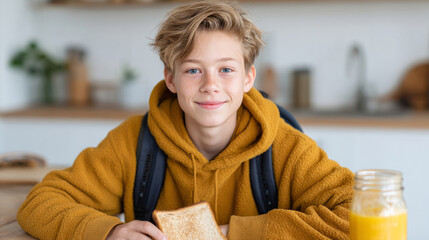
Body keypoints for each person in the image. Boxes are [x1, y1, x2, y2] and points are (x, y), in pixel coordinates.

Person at [17, 1, 354, 239]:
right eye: (193, 70)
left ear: (248, 78)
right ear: (171, 80)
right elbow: (41, 203)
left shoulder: (286, 147)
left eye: (226, 69)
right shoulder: (133, 142)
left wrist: (234, 233)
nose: (211, 85)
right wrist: (109, 232)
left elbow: (360, 214)